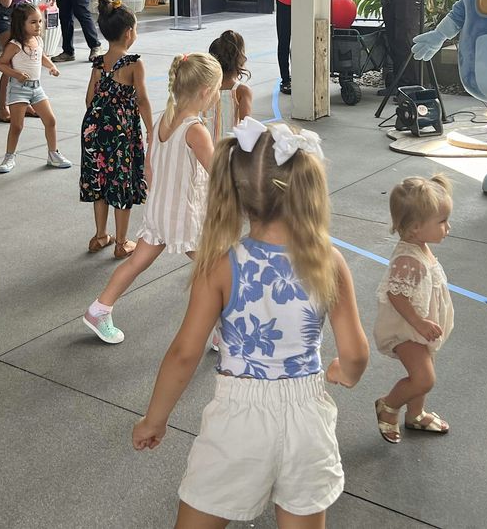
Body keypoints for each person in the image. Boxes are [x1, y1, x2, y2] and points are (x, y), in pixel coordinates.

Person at [133, 117, 370, 527]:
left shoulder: (222, 265)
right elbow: (355, 354)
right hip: (307, 417)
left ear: (238, 194)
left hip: (239, 420)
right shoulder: (329, 262)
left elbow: (185, 352)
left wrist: (155, 418)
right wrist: (343, 371)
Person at [82, 52, 222, 344]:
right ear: (206, 92)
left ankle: (99, 308)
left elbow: (149, 168)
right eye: (218, 90)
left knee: (136, 263)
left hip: (159, 210)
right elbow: (218, 173)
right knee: (216, 270)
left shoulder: (163, 119)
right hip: (182, 216)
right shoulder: (196, 130)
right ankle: (225, 333)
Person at [372, 174, 456, 443]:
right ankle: (388, 406)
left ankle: (416, 414)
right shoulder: (408, 259)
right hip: (405, 329)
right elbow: (396, 295)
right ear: (416, 228)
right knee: (423, 379)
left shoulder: (420, 247)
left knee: (424, 368)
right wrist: (419, 323)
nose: (448, 227)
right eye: (442, 222)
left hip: (419, 325)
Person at [80, 1, 152, 257]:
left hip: (95, 128)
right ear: (129, 33)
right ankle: (122, 243)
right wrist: (151, 129)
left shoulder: (99, 63)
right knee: (121, 181)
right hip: (122, 132)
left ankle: (100, 236)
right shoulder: (133, 63)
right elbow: (141, 99)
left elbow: (89, 99)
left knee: (99, 180)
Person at [0, 2, 71, 173]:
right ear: (21, 24)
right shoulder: (15, 44)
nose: (38, 26)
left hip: (37, 89)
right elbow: (1, 64)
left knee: (50, 121)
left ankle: (53, 154)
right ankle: (9, 157)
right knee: (17, 126)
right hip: (19, 89)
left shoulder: (38, 40)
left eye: (40, 21)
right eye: (33, 22)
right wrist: (16, 75)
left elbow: (41, 56)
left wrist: (51, 66)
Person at [207, 29, 253, 141]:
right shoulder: (241, 91)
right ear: (240, 58)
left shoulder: (203, 88)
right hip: (226, 151)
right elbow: (246, 128)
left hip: (202, 150)